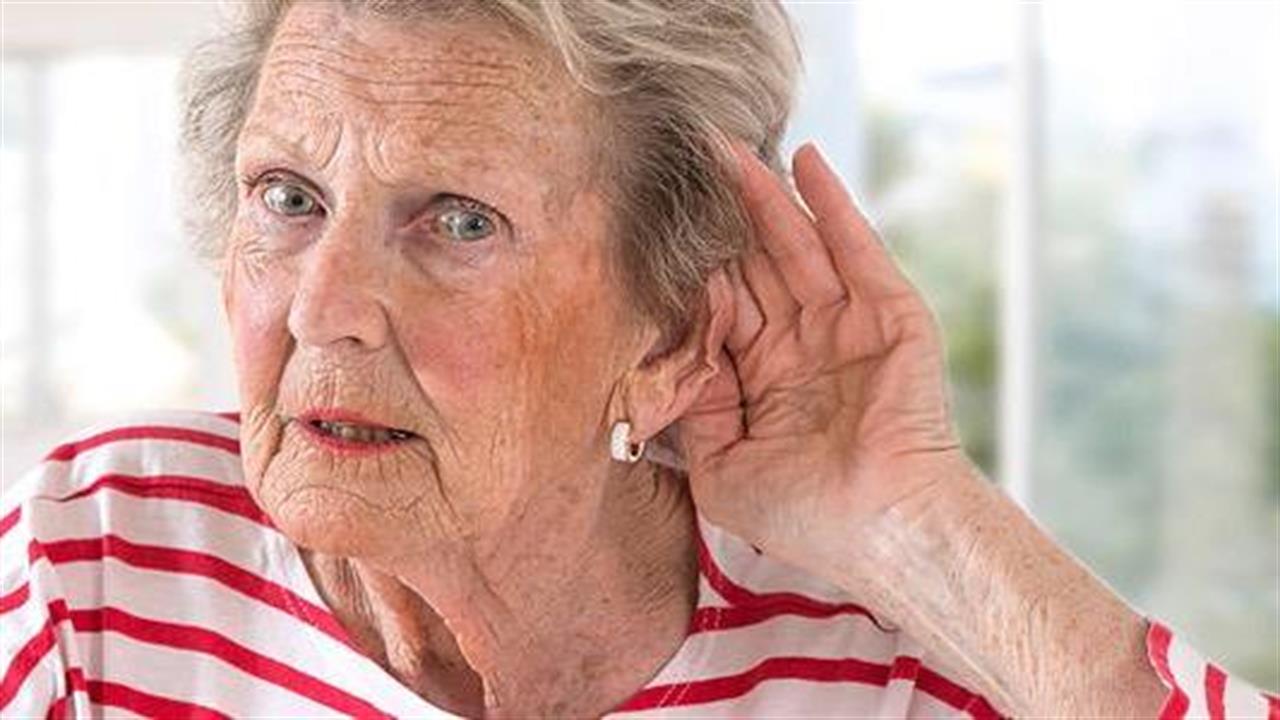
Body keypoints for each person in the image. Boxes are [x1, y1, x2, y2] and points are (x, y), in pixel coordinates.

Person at [2, 1, 1275, 717]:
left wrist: (918, 524)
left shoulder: (875, 670)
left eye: (458, 223)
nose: (324, 309)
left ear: (667, 336)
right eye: (288, 198)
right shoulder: (94, 557)